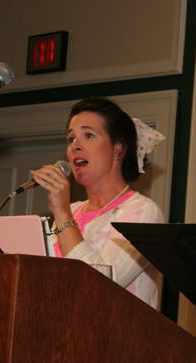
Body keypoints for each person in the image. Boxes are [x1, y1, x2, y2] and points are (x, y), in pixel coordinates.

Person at [31, 97, 165, 309]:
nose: (75, 146)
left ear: (118, 150)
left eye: (88, 135)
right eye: (70, 139)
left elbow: (103, 284)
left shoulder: (142, 211)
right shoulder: (72, 210)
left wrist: (62, 213)